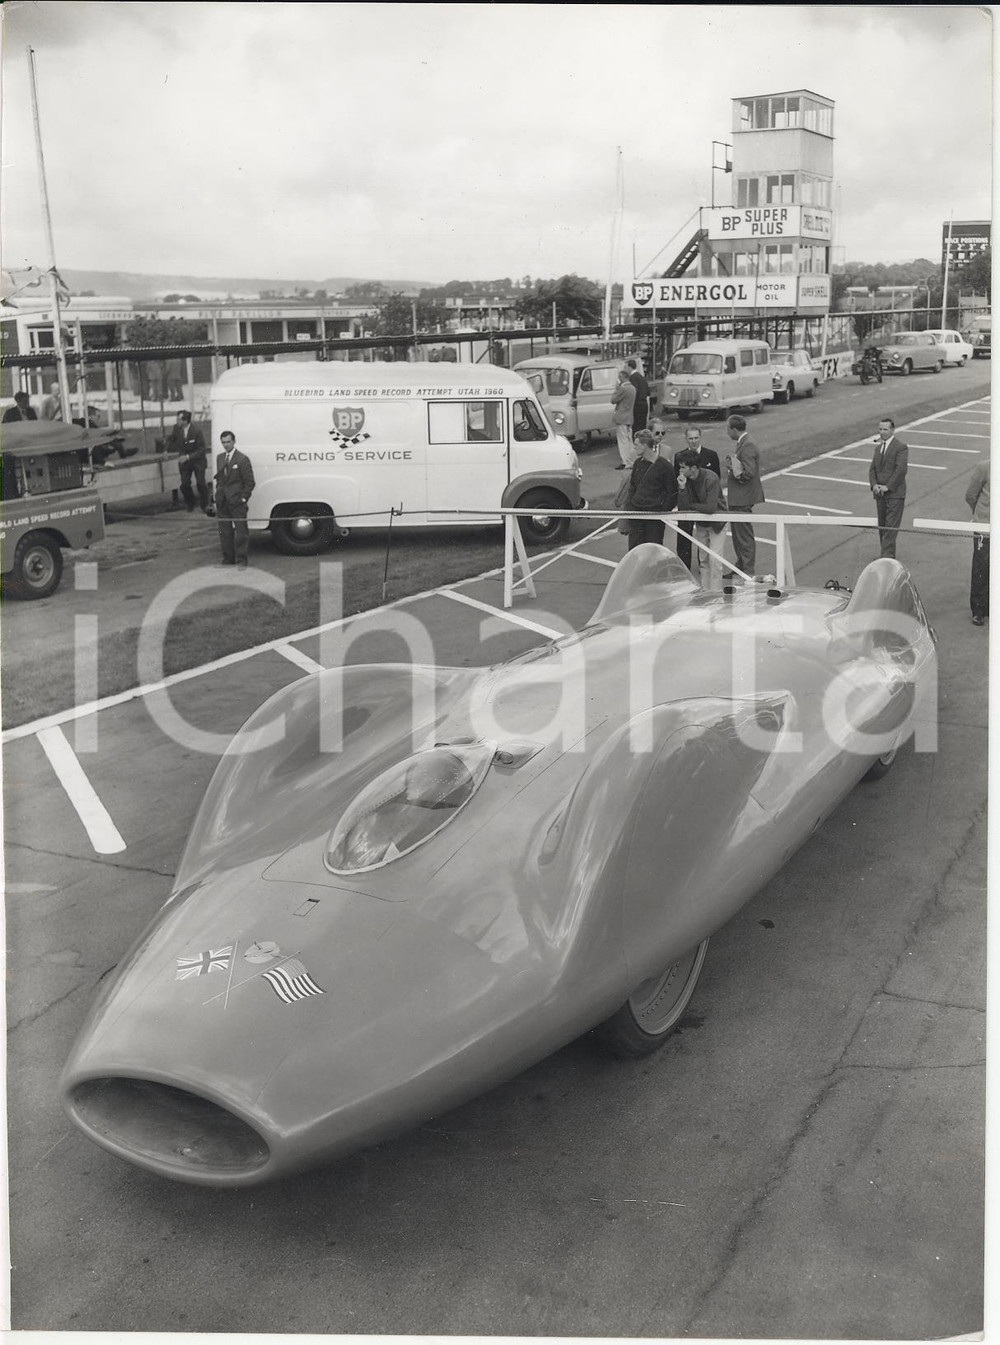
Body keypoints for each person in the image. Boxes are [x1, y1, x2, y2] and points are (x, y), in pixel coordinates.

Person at [672, 425, 722, 570]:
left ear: (700, 438)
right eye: (690, 438)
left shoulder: (711, 455)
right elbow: (678, 478)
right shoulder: (679, 457)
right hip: (688, 500)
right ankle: (683, 567)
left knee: (705, 536)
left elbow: (716, 478)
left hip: (705, 503)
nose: (693, 441)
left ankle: (703, 566)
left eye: (696, 438)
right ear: (686, 439)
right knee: (684, 535)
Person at [676, 449, 727, 588]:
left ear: (693, 468)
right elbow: (683, 508)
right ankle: (706, 592)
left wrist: (692, 505)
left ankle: (715, 594)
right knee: (703, 560)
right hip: (702, 523)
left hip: (717, 523)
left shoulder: (711, 478)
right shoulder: (686, 480)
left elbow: (711, 508)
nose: (680, 470)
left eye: (682, 467)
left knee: (715, 561)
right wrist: (682, 488)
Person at [622, 428, 677, 550]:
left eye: (636, 445)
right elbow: (632, 489)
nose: (634, 448)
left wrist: (662, 510)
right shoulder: (637, 463)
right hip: (637, 516)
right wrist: (629, 513)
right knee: (635, 551)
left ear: (644, 445)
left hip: (654, 519)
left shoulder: (665, 466)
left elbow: (672, 493)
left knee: (653, 551)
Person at [724, 415, 765, 580]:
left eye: (728, 429)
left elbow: (748, 472)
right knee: (738, 534)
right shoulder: (744, 443)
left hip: (743, 498)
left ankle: (747, 569)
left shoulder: (747, 445)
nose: (727, 432)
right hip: (739, 498)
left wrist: (734, 471)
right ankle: (741, 565)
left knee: (744, 535)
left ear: (734, 429)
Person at [868, 417, 908, 559]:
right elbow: (872, 469)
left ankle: (886, 558)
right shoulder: (878, 448)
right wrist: (874, 486)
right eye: (880, 429)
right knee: (883, 528)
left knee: (890, 529)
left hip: (895, 495)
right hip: (880, 495)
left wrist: (888, 487)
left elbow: (901, 470)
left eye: (885, 429)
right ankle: (887, 556)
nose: (882, 432)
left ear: (892, 430)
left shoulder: (900, 447)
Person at [214, 430, 255, 568]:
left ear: (234, 441)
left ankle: (242, 561)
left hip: (237, 502)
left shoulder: (242, 459)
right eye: (223, 442)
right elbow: (220, 479)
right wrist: (217, 496)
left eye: (228, 442)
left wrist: (243, 499)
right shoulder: (220, 458)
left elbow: (250, 482)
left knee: (241, 533)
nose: (226, 445)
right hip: (223, 501)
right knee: (225, 532)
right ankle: (227, 560)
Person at [169, 411, 210, 512]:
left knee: (200, 483)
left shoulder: (197, 431)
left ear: (186, 420)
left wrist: (188, 457)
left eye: (179, 419)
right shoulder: (177, 428)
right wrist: (166, 450)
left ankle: (204, 504)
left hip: (197, 461)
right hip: (185, 462)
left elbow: (201, 449)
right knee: (184, 484)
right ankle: (190, 502)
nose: (177, 421)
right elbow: (171, 439)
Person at [965, 460, 989, 626]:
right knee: (981, 567)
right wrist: (980, 515)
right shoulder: (984, 466)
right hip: (984, 528)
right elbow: (970, 495)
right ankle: (979, 611)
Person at [611, 368, 637, 469]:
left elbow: (613, 400)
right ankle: (631, 460)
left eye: (620, 377)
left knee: (622, 441)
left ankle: (625, 461)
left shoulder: (623, 388)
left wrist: (616, 388)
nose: (619, 379)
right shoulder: (633, 388)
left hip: (621, 417)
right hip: (629, 416)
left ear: (623, 377)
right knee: (629, 439)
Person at [626, 358, 651, 435]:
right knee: (643, 425)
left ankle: (637, 443)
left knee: (636, 426)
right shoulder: (641, 377)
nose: (626, 369)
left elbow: (634, 391)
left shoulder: (632, 378)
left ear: (630, 367)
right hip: (644, 403)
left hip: (637, 404)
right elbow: (648, 391)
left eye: (626, 367)